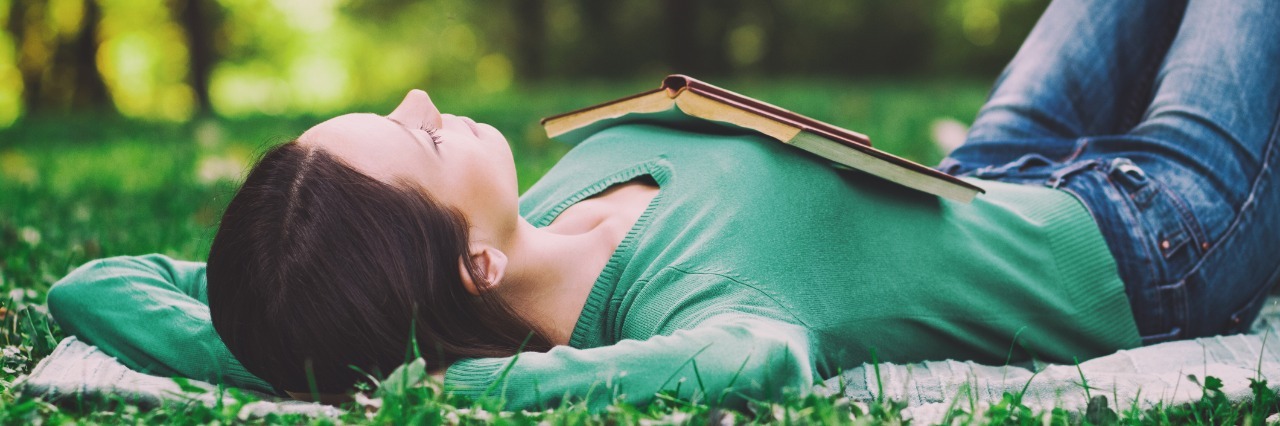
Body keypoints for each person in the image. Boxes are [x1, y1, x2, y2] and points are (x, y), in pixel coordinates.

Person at [47, 0, 1279, 411]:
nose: (422, 99)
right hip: (1155, 236)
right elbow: (760, 359)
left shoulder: (537, 205)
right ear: (471, 266)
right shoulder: (686, 316)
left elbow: (94, 289)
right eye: (414, 137)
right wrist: (455, 386)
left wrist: (313, 351)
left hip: (1000, 169)